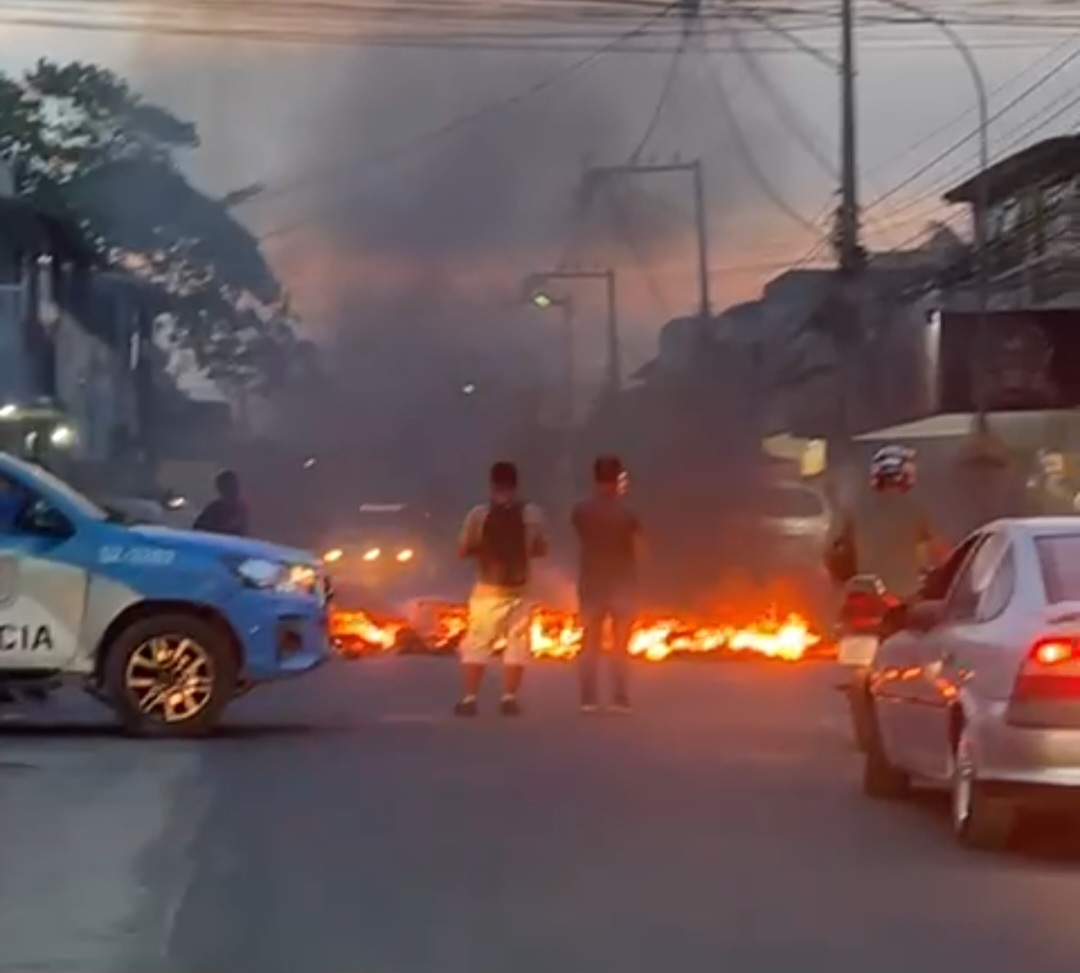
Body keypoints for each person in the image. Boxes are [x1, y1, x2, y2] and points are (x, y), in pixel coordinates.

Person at [455, 461, 548, 717]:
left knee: (478, 643)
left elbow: (462, 550)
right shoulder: (532, 513)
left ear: (492, 483)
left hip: (488, 588)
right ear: (516, 483)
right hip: (521, 588)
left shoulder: (479, 514)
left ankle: (469, 698)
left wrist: (482, 552)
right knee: (517, 644)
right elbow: (541, 549)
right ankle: (509, 698)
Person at [826, 444, 946, 601]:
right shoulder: (915, 511)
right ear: (905, 475)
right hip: (906, 596)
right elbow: (932, 556)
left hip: (864, 594)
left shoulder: (856, 511)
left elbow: (834, 551)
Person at [572, 455, 643, 714]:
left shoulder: (581, 509)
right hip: (622, 581)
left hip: (591, 581)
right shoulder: (628, 513)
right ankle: (619, 697)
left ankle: (588, 698)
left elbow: (581, 533)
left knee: (590, 641)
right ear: (618, 479)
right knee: (620, 644)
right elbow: (639, 548)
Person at [193, 470, 250, 536]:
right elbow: (198, 529)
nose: (233, 490)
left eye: (234, 486)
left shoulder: (244, 509)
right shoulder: (213, 510)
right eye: (228, 487)